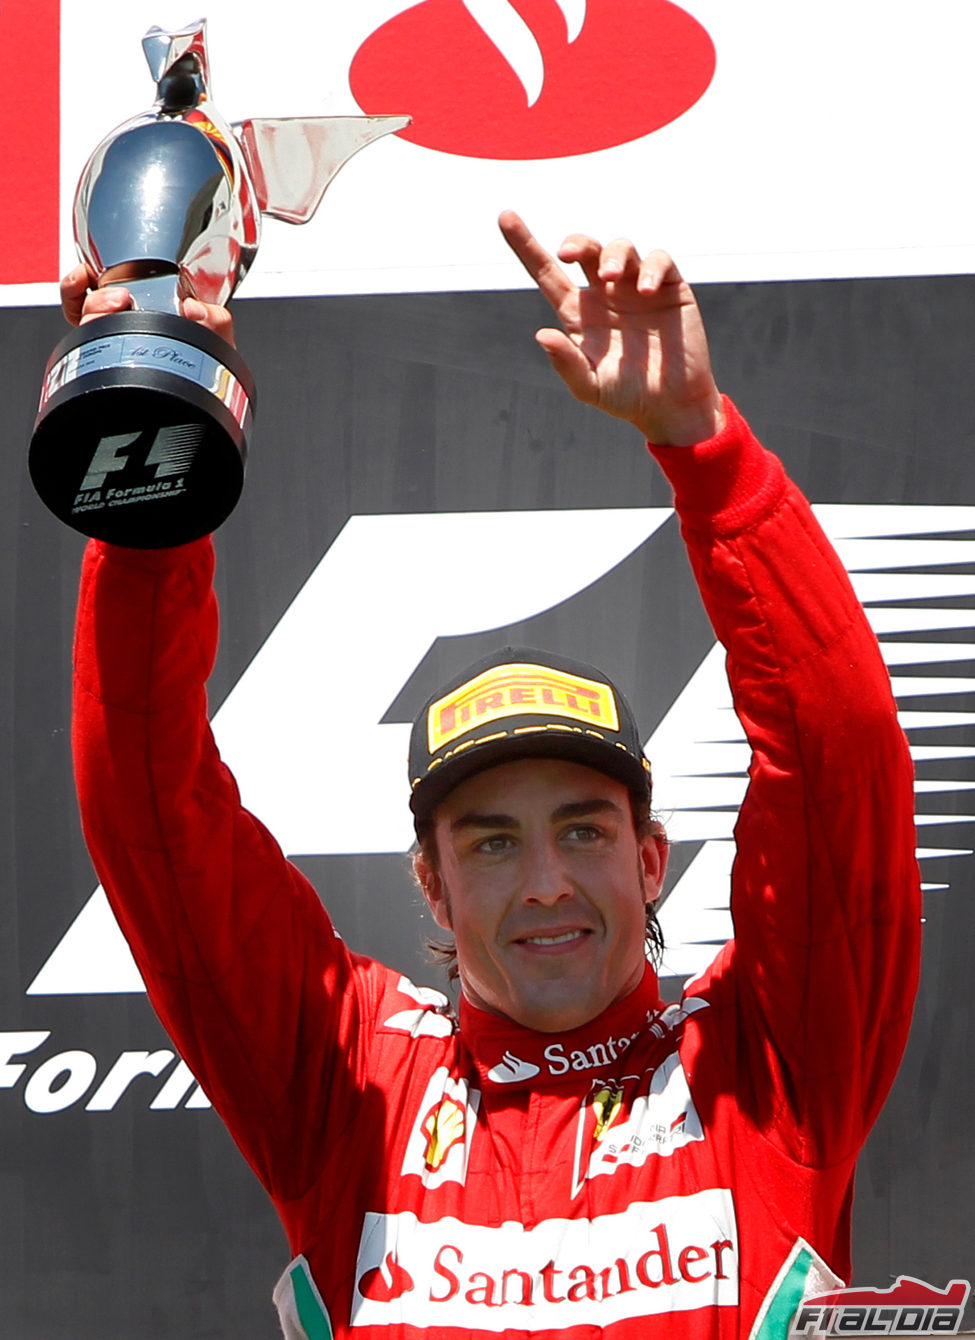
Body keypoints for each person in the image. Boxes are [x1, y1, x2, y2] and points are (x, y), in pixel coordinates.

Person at [63, 212, 921, 1340]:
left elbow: (838, 760)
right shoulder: (352, 1084)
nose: (547, 883)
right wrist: (153, 462)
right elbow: (151, 806)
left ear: (651, 858)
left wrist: (708, 452)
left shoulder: (762, 1065)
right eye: (492, 841)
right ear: (432, 884)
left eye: (582, 829)